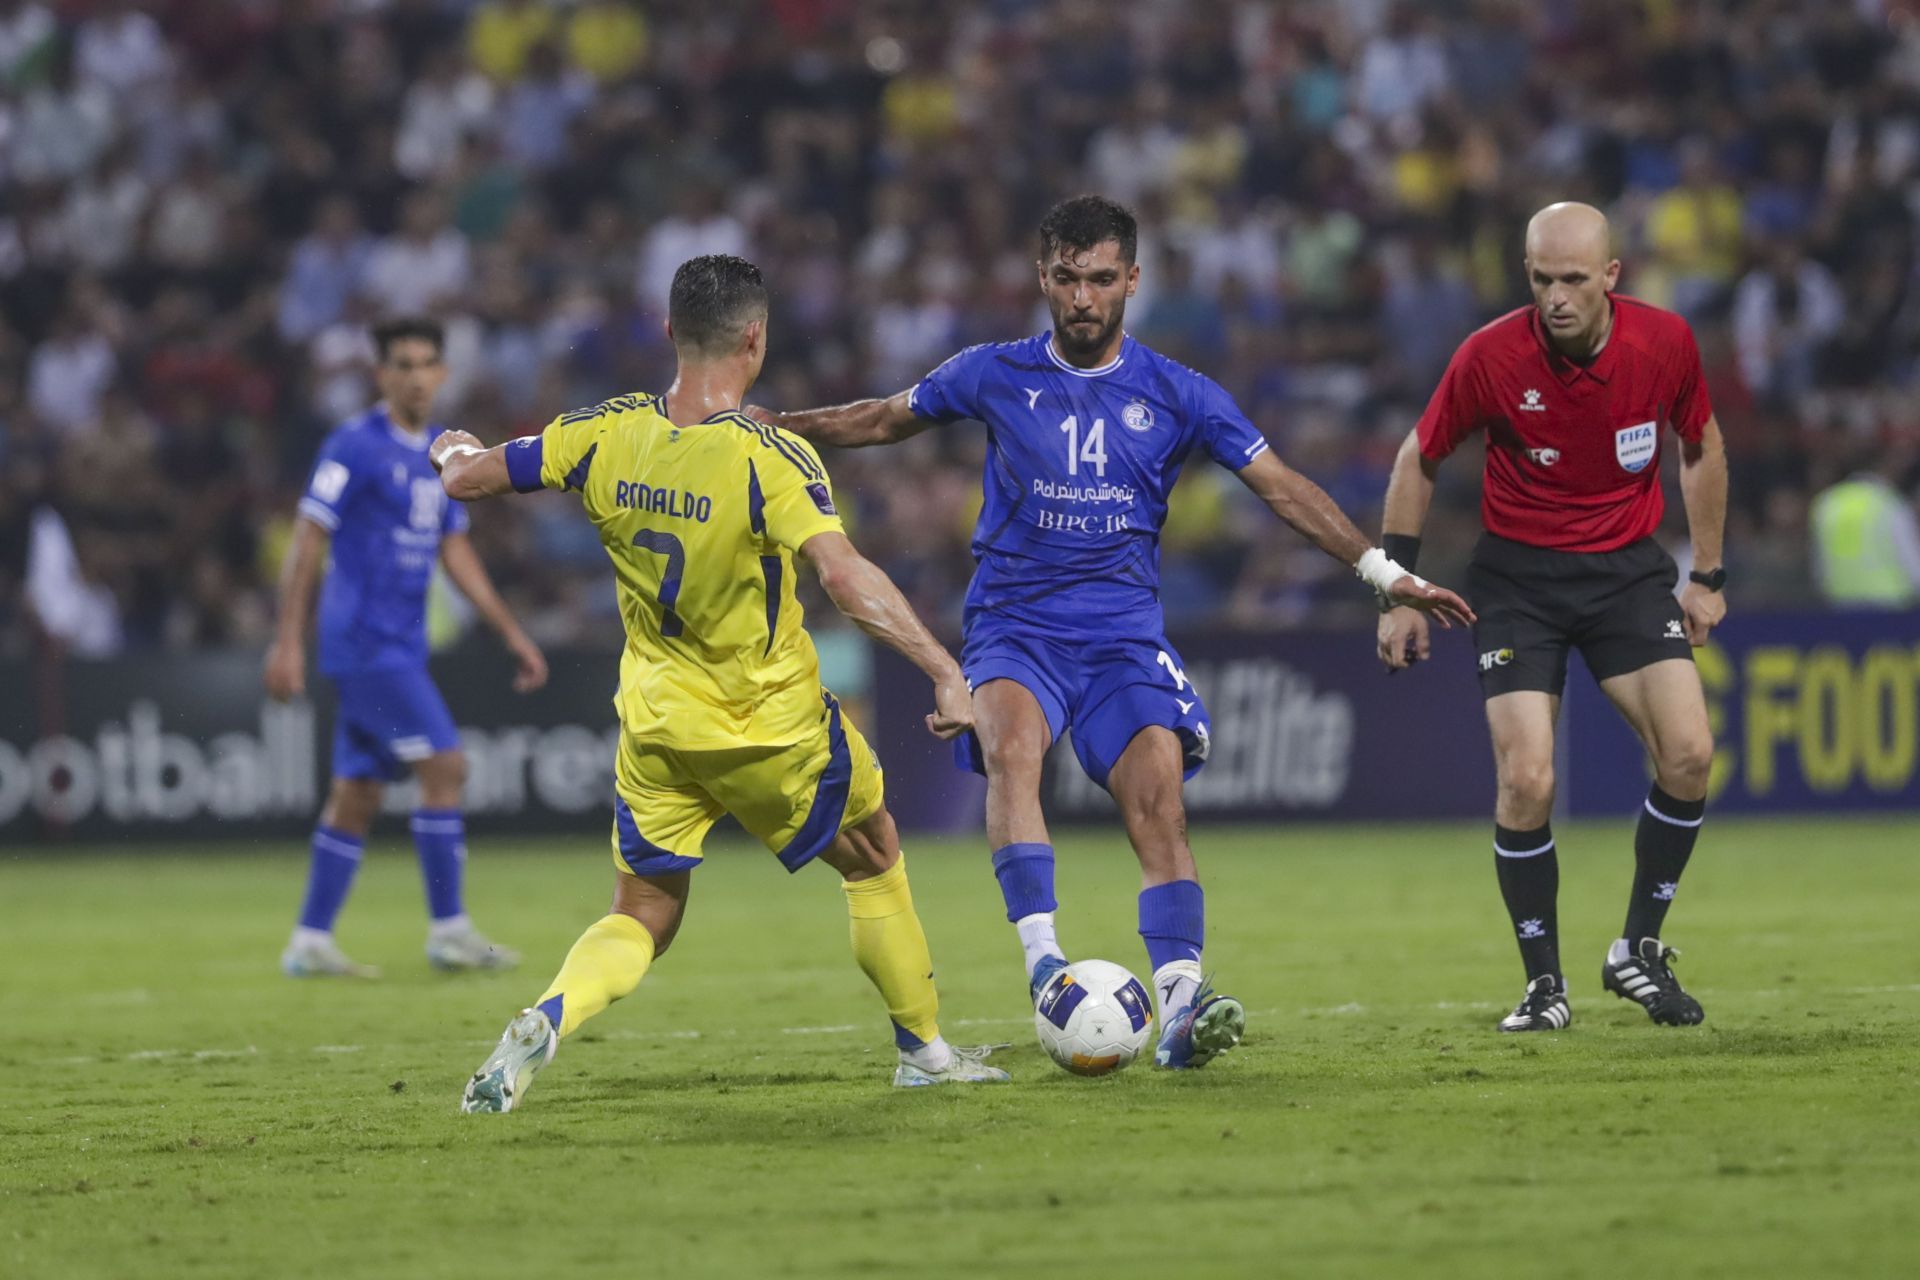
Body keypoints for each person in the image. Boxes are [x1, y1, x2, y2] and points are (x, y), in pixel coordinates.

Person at [759, 196, 1473, 1069]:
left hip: (1124, 644)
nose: (1084, 298)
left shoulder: (1179, 393)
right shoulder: (993, 371)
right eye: (1067, 279)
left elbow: (1281, 486)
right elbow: (881, 418)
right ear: (1043, 279)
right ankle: (1047, 967)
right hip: (1015, 630)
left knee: (1160, 802)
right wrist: (779, 431)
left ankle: (1180, 1003)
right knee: (1013, 748)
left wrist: (1384, 575)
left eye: (1101, 279)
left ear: (1131, 280)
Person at [434, 255, 1009, 1111]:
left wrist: (453, 449)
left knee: (645, 909)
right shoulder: (767, 457)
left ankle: (551, 1015)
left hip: (656, 726)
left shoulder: (602, 431)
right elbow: (844, 577)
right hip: (766, 723)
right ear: (756, 337)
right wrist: (944, 669)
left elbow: (473, 477)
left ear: (669, 332)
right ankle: (924, 1050)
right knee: (876, 853)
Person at [1376, 202, 1729, 1032]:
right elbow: (1417, 457)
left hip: (1627, 575)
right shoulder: (1490, 355)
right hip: (1519, 582)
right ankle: (1544, 985)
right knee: (1528, 778)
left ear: (1612, 276)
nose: (1556, 297)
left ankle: (1637, 949)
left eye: (1574, 279)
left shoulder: (1665, 342)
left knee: (1689, 754)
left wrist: (1707, 573)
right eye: (1541, 279)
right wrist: (1398, 588)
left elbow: (1702, 441)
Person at [265, 316, 548, 979]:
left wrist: (511, 634)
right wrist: (286, 642)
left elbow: (457, 553)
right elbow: (308, 539)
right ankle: (450, 931)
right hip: (364, 646)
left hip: (399, 648)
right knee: (446, 767)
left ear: (443, 373)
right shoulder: (353, 445)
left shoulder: (443, 457)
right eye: (403, 363)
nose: (416, 375)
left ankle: (309, 940)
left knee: (359, 791)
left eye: (427, 363)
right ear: (382, 374)